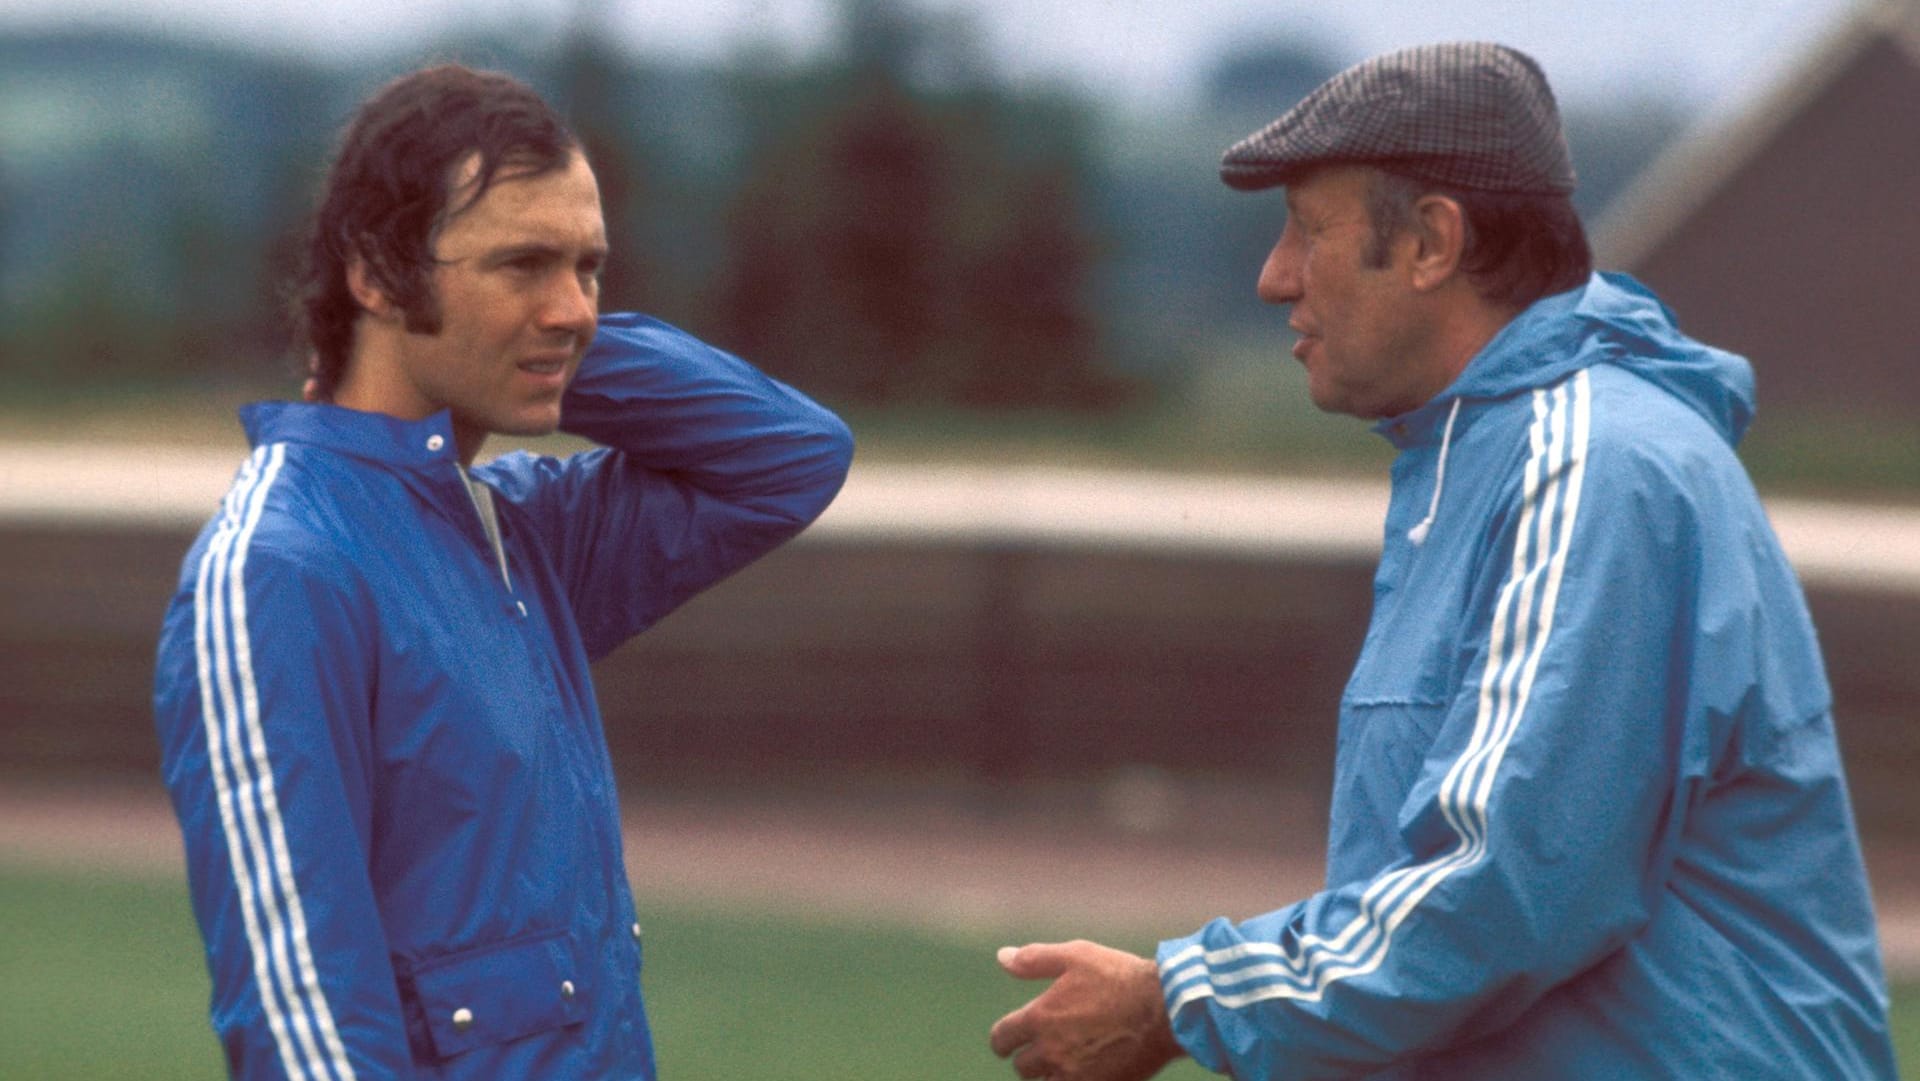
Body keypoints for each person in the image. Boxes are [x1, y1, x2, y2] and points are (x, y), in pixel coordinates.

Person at [990, 41, 1897, 1080]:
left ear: (1431, 241)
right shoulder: (1491, 461)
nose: (1273, 276)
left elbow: (1506, 888)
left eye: (1306, 230)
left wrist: (1179, 998)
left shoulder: (1592, 468)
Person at [152, 64, 853, 1079]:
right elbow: (304, 1027)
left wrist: (532, 349)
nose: (573, 308)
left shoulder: (520, 528)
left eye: (590, 269)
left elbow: (790, 455)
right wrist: (505, 350)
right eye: (524, 263)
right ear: (378, 274)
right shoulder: (277, 569)